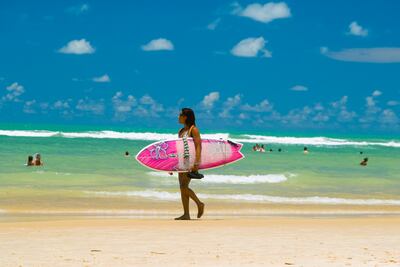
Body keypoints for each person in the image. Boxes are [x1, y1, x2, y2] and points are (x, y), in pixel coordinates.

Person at [175, 108, 205, 220]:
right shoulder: (181, 131)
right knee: (182, 187)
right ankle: (186, 214)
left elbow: (198, 146)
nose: (178, 117)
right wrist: (171, 165)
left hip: (190, 162)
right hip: (181, 162)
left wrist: (196, 163)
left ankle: (199, 203)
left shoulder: (194, 130)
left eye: (180, 115)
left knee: (183, 186)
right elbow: (178, 148)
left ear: (185, 117)